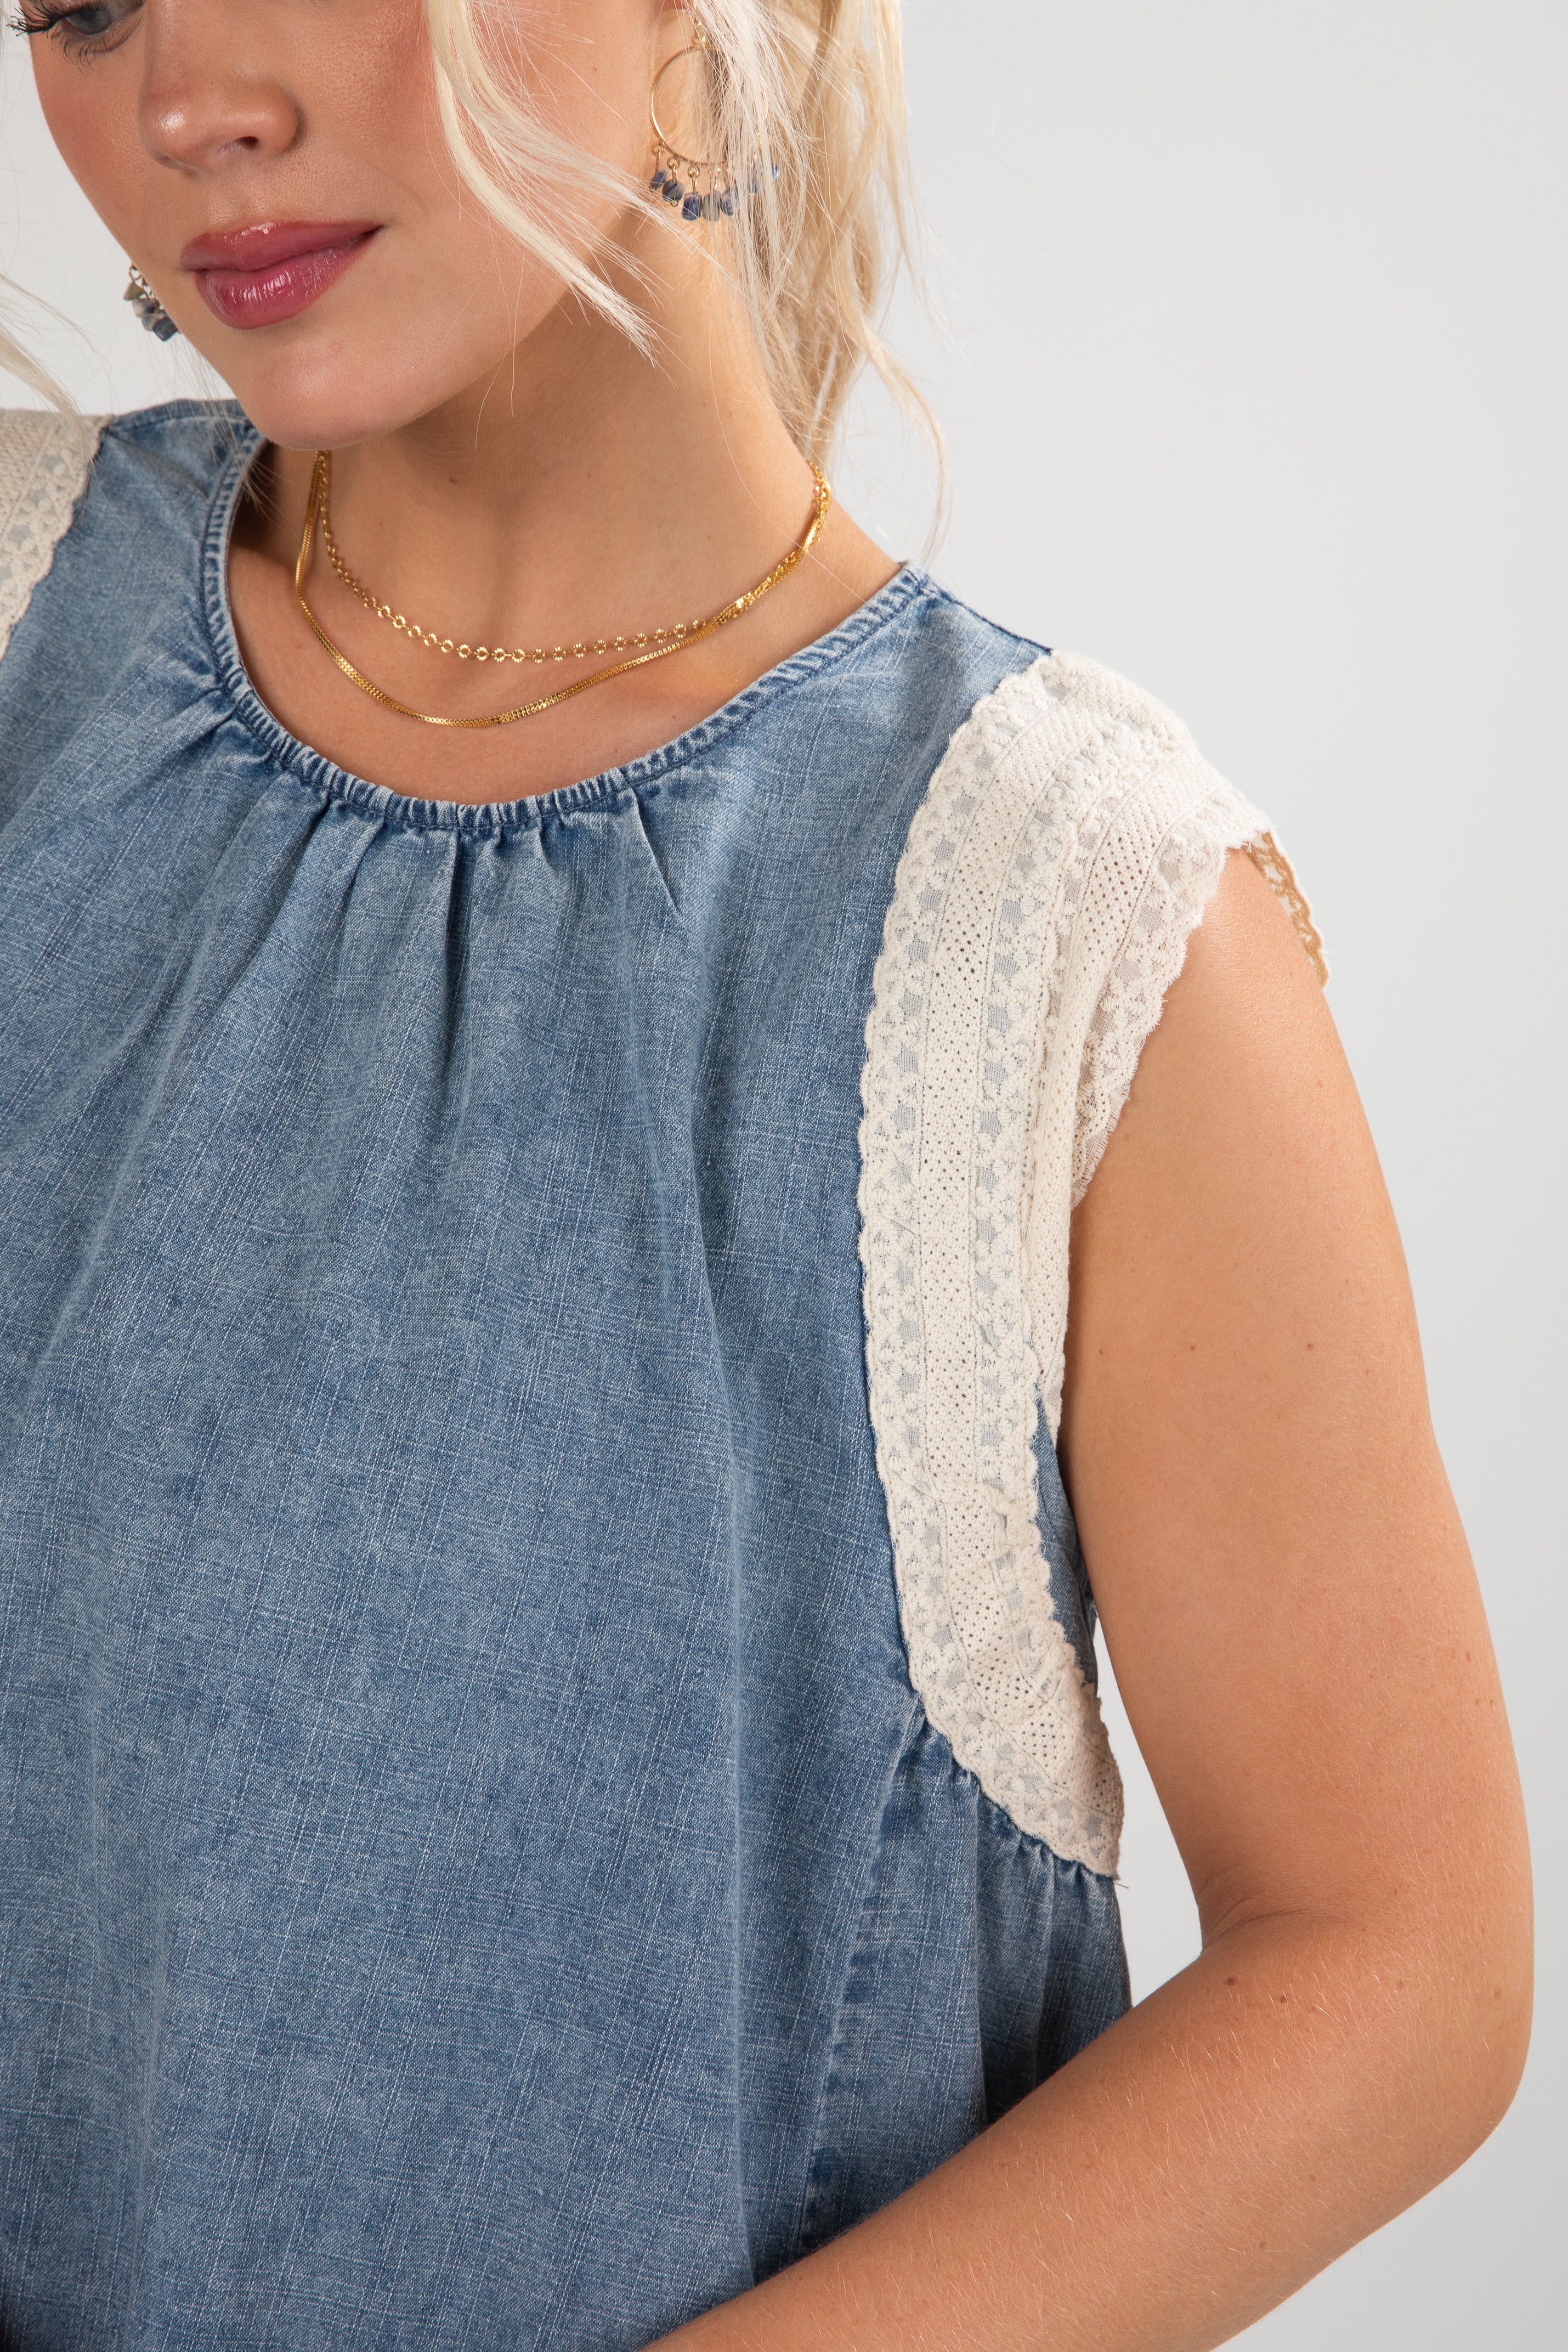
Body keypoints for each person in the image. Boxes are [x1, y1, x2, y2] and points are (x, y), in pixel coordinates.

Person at [0, 2, 1531, 2347]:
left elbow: (1395, 1961)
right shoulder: (21, 625)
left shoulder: (1065, 912)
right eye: (82, 3)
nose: (190, 100)